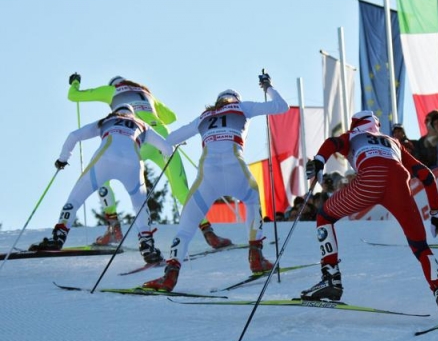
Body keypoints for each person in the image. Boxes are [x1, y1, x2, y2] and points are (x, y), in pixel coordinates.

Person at [302, 110, 438, 319]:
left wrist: (319, 161)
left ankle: (331, 278)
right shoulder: (393, 142)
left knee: (325, 216)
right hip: (399, 186)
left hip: (370, 180)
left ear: (355, 124)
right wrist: (437, 215)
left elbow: (332, 142)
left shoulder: (354, 135)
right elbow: (427, 176)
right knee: (420, 246)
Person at [141, 74, 289, 291]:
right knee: (252, 199)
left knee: (186, 227)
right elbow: (281, 106)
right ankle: (255, 256)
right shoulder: (242, 107)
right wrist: (268, 86)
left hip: (208, 177)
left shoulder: (204, 116)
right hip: (235, 169)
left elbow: (167, 141)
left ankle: (170, 275)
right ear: (234, 99)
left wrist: (140, 134)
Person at [67, 74, 232, 249]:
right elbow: (171, 117)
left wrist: (75, 82)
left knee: (103, 174)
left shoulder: (112, 90)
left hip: (134, 137)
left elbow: (74, 96)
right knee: (182, 191)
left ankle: (113, 227)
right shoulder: (147, 93)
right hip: (163, 137)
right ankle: (209, 233)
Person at [30, 104, 173, 265]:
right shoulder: (142, 125)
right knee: (139, 205)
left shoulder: (107, 120)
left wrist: (63, 159)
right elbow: (167, 148)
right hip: (132, 163)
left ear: (115, 112)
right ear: (133, 114)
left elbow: (74, 135)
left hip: (103, 160)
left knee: (75, 200)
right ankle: (147, 246)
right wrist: (167, 154)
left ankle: (58, 237)